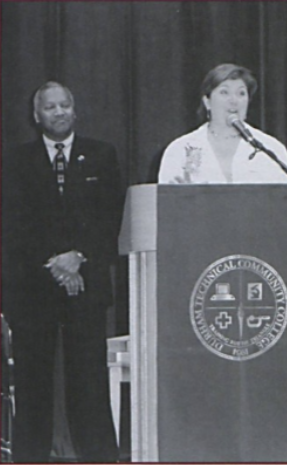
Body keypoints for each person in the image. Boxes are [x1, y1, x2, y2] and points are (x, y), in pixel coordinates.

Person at [2, 81, 123, 463]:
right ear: (36, 115)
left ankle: (101, 458)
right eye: (50, 107)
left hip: (86, 284)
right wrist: (55, 263)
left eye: (64, 105)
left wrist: (79, 257)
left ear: (75, 110)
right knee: (33, 383)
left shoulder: (102, 155)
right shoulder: (14, 161)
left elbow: (111, 219)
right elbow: (12, 224)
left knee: (89, 382)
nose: (58, 112)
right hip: (31, 288)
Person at [158, 63, 287, 184]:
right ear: (207, 102)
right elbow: (165, 203)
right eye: (224, 92)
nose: (234, 100)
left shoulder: (270, 148)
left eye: (241, 93)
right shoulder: (180, 149)